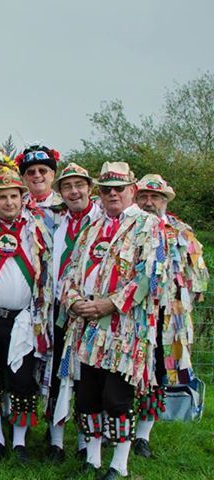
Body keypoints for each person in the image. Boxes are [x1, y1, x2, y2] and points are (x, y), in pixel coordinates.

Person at [57, 162, 165, 479]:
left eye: (119, 188)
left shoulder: (149, 225)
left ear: (132, 190)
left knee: (116, 397)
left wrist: (110, 304)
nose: (113, 194)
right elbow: (71, 272)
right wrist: (75, 300)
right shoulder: (91, 228)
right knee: (89, 394)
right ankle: (91, 459)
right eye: (106, 189)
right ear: (99, 194)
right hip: (86, 325)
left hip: (124, 328)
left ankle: (119, 463)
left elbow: (150, 277)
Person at [0, 168, 52, 463]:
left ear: (23, 199)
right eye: (2, 197)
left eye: (13, 196)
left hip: (25, 318)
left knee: (22, 379)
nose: (8, 202)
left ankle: (19, 442)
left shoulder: (39, 228)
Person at [132, 174, 209, 458]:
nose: (149, 202)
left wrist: (191, 290)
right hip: (135, 315)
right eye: (144, 197)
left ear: (164, 201)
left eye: (155, 198)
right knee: (129, 373)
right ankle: (115, 431)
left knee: (158, 374)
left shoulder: (180, 230)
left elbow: (198, 274)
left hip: (169, 317)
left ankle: (143, 436)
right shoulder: (129, 228)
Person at [46, 163, 101, 462]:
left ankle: (85, 441)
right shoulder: (55, 221)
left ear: (89, 189)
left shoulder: (104, 221)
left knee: (87, 378)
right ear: (61, 192)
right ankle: (56, 442)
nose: (74, 191)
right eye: (67, 187)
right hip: (59, 310)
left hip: (91, 310)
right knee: (57, 374)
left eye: (79, 185)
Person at [15, 144, 65, 232]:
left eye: (42, 170)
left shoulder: (66, 206)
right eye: (31, 172)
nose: (37, 175)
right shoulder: (16, 206)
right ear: (24, 178)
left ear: (52, 175)